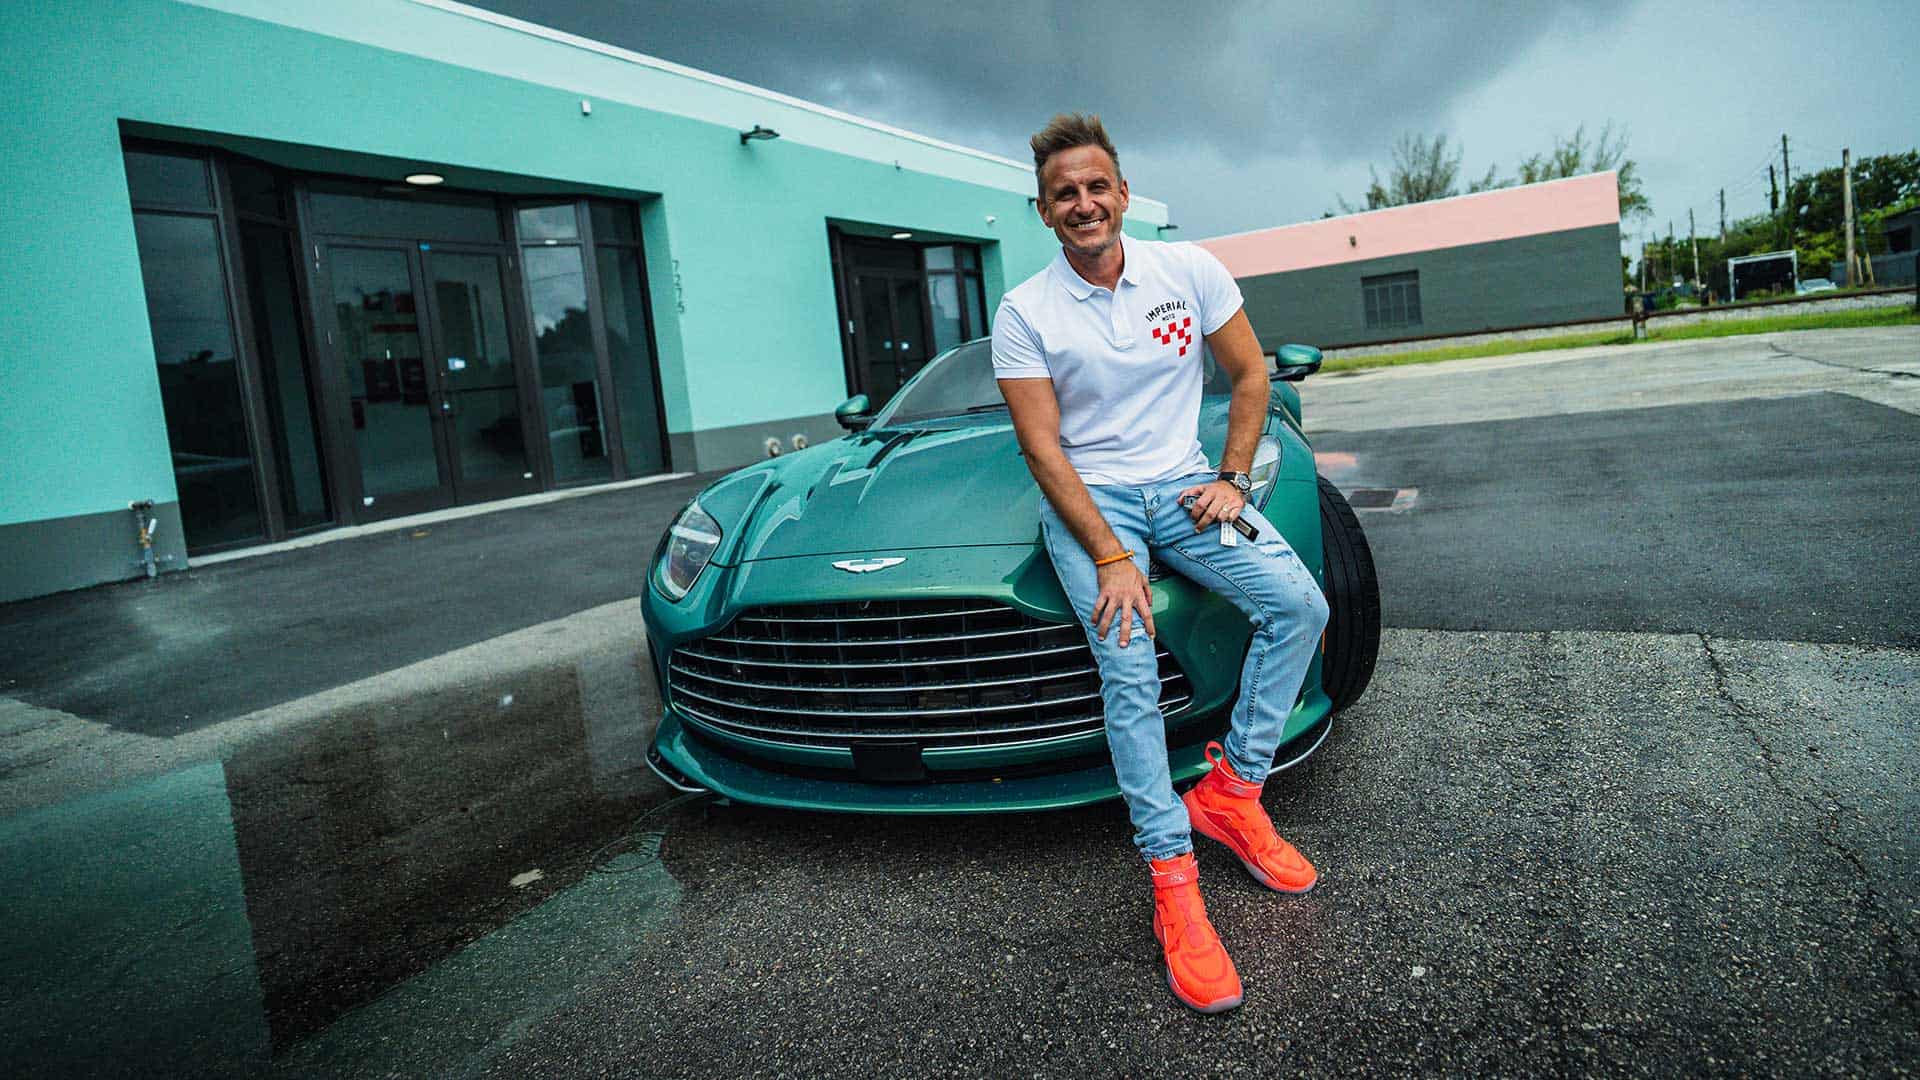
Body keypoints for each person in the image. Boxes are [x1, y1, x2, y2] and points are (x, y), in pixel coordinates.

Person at [992, 113, 1330, 1014]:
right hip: (1093, 502)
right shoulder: (1025, 310)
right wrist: (1108, 554)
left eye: (1097, 186)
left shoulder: (1187, 271)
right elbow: (1042, 449)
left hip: (1184, 485)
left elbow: (1252, 378)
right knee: (1129, 660)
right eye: (1065, 193)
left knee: (1301, 607)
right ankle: (1174, 879)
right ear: (1044, 210)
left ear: (1124, 194)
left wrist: (1230, 477)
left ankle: (1232, 790)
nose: (1084, 202)